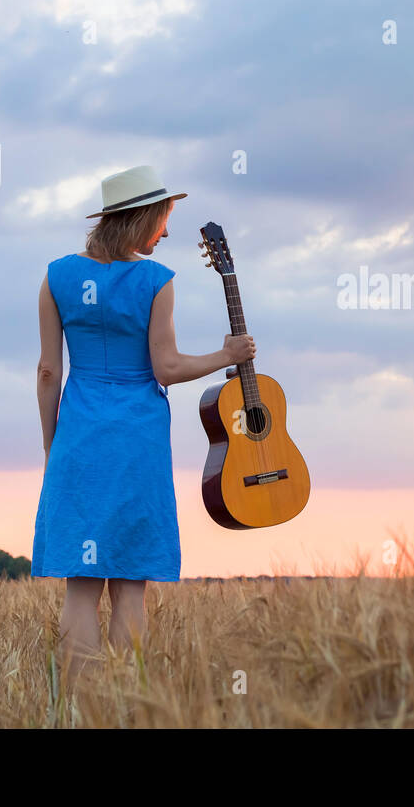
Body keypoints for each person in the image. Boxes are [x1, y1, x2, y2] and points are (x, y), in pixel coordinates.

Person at [32, 165, 254, 689]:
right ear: (141, 219)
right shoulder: (157, 282)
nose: (167, 232)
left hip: (80, 438)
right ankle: (126, 705)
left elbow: (48, 372)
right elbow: (167, 369)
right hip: (137, 440)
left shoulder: (57, 275)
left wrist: (52, 446)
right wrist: (226, 353)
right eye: (162, 220)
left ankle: (79, 709)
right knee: (130, 586)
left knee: (80, 587)